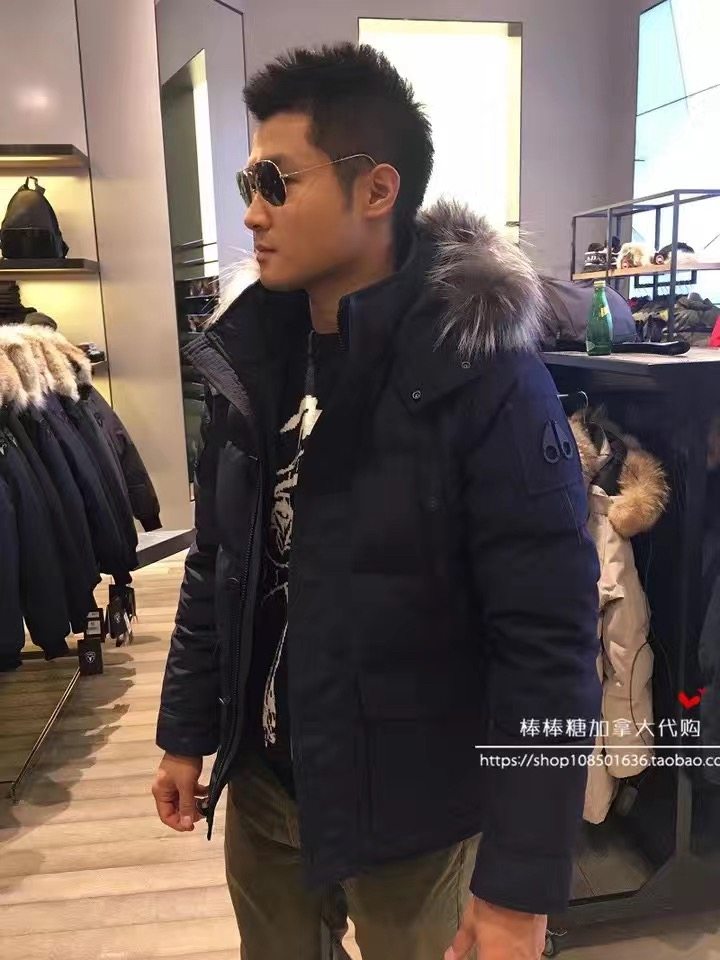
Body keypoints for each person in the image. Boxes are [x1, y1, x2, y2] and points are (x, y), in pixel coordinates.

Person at [153, 42, 601, 960]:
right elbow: (220, 564)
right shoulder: (251, 362)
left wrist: (518, 886)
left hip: (415, 820)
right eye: (247, 181)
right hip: (266, 793)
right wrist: (185, 735)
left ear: (376, 189)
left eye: (276, 181)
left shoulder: (484, 377)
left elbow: (548, 642)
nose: (252, 211)